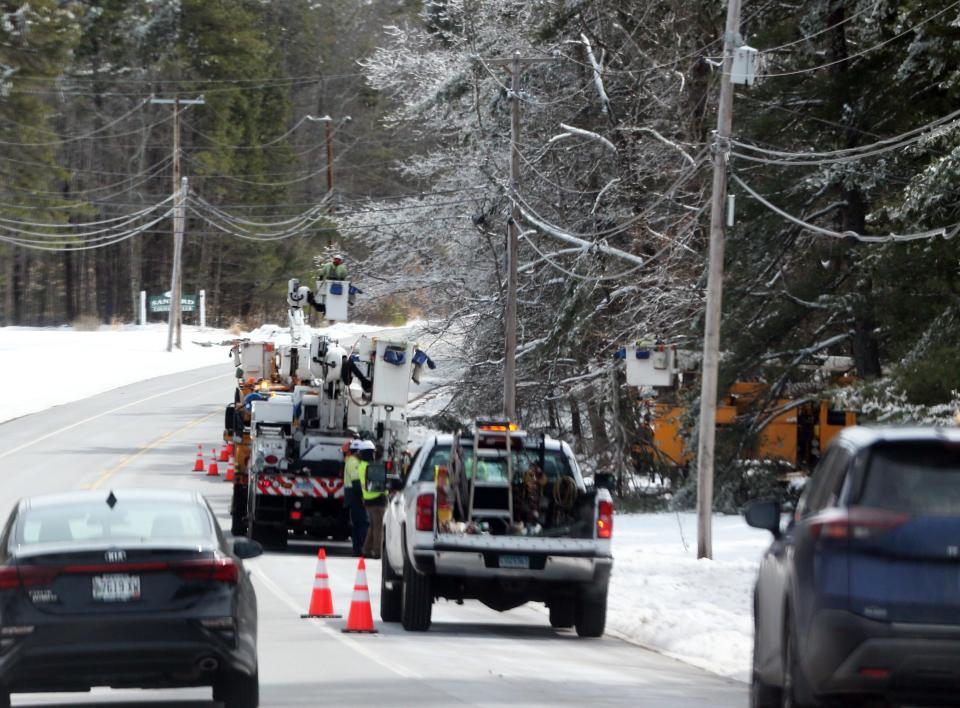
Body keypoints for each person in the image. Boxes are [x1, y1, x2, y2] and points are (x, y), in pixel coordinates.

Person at [358, 440, 387, 559]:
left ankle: (366, 549)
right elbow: (380, 484)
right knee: (379, 527)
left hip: (368, 499)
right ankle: (377, 551)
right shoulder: (372, 466)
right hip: (377, 499)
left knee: (373, 526)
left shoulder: (361, 465)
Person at [343, 439, 368, 557]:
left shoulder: (353, 461)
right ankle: (360, 549)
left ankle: (357, 549)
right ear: (357, 451)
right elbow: (356, 482)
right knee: (362, 523)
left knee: (358, 524)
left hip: (353, 496)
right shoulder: (353, 462)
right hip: (355, 496)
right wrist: (363, 496)